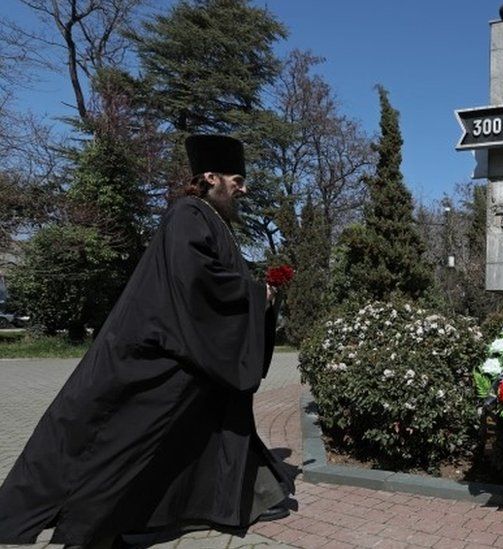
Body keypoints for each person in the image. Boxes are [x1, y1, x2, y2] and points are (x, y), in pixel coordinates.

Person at [0, 134, 293, 548]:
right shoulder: (188, 213)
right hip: (153, 357)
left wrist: (253, 291)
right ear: (210, 176)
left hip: (177, 353)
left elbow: (213, 277)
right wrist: (253, 294)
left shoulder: (210, 218)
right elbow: (196, 281)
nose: (243, 188)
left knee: (196, 434)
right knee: (123, 444)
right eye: (237, 179)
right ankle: (87, 533)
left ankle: (212, 505)